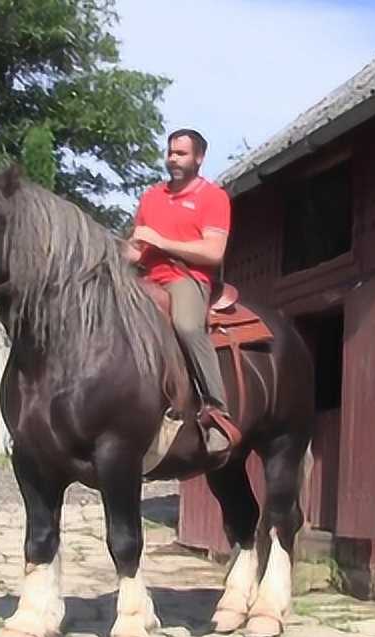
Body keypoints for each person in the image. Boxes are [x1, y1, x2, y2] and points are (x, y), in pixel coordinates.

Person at [126, 128, 240, 454]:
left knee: (188, 327)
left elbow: (214, 252)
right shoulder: (151, 197)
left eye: (181, 153)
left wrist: (161, 242)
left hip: (185, 279)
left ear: (199, 158)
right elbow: (136, 252)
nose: (173, 159)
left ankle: (218, 412)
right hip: (145, 278)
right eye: (170, 152)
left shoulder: (213, 197)